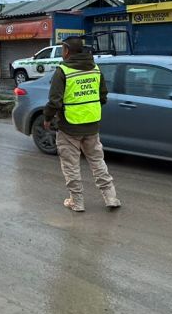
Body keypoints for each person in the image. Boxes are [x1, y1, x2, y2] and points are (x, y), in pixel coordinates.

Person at [43, 37, 120, 213]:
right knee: (97, 161)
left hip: (69, 127)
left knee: (71, 165)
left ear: (67, 51)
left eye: (63, 49)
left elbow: (54, 101)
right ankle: (111, 197)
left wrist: (47, 118)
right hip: (92, 124)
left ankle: (77, 202)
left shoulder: (63, 71)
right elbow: (103, 96)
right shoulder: (95, 68)